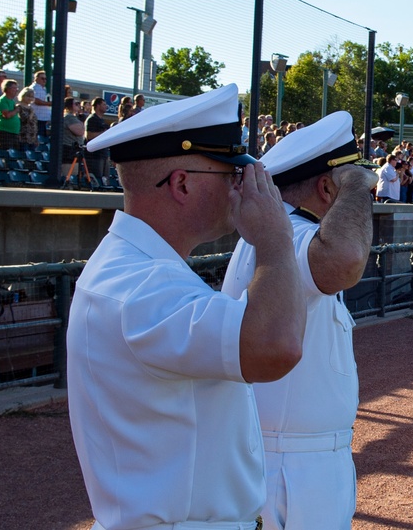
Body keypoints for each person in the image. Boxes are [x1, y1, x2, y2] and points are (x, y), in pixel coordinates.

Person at [67, 83, 306, 530]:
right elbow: (277, 346)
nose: (243, 188)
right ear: (181, 183)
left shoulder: (138, 267)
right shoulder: (141, 283)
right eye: (232, 174)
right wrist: (275, 240)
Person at [222, 111, 377, 530]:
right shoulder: (290, 235)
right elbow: (344, 259)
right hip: (291, 469)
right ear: (329, 186)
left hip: (293, 458)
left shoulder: (283, 234)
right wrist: (361, 182)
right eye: (349, 186)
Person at [84, 97, 110, 181]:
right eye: (104, 104)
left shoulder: (102, 120)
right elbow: (89, 136)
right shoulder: (92, 119)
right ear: (98, 106)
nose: (106, 106)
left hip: (103, 154)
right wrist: (104, 133)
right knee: (97, 178)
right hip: (95, 156)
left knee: (105, 179)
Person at [0, 79, 21, 150]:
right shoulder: (2, 100)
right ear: (8, 89)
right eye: (14, 88)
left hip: (14, 132)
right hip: (5, 132)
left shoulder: (12, 101)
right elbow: (7, 115)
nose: (16, 90)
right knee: (5, 152)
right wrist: (16, 110)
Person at [29, 70, 52, 137]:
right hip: (38, 118)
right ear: (36, 78)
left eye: (45, 79)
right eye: (42, 78)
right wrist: (48, 103)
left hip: (44, 118)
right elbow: (36, 100)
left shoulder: (43, 88)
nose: (44, 80)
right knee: (38, 137)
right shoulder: (34, 87)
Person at [17, 87, 39, 152]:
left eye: (32, 97)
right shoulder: (19, 107)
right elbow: (25, 120)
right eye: (28, 96)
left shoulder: (31, 108)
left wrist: (36, 138)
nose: (30, 98)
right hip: (24, 136)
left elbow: (34, 123)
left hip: (32, 137)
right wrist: (31, 113)